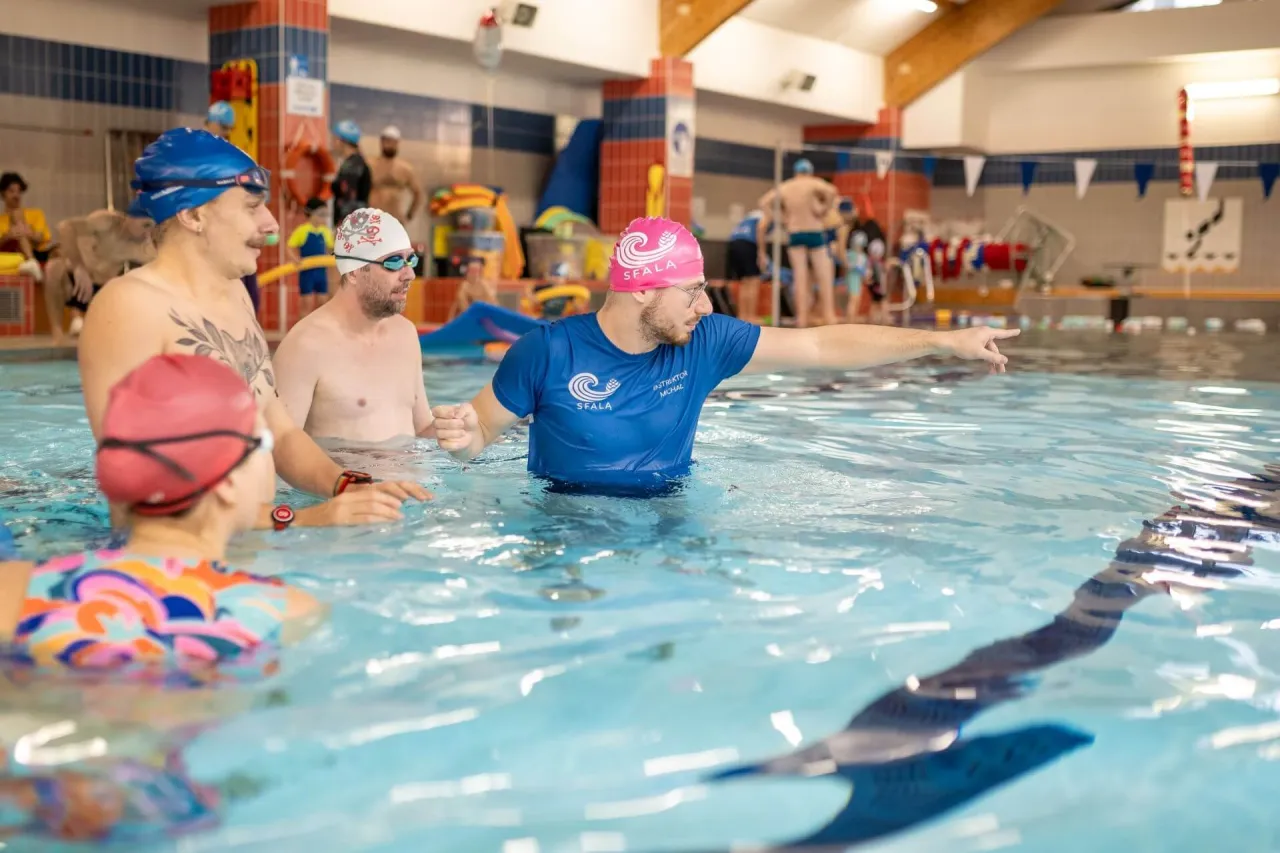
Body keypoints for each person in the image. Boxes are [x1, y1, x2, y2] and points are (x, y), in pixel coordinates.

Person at [432, 217, 1018, 490]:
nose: (706, 306)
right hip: (563, 524)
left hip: (668, 518)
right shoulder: (546, 352)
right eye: (692, 291)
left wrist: (939, 342)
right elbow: (478, 432)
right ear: (641, 290)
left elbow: (820, 343)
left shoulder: (704, 344)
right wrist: (462, 438)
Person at [0, 354, 326, 843]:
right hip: (172, 813)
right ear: (231, 479)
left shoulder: (15, 589)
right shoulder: (283, 611)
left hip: (32, 801)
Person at [78, 128, 429, 532]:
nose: (271, 223)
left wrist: (348, 487)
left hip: (250, 539)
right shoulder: (129, 306)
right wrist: (297, 519)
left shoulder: (234, 298)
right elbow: (138, 487)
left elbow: (277, 429)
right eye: (251, 207)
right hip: (175, 566)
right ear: (193, 214)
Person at [274, 208, 435, 444]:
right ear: (354, 272)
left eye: (410, 259)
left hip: (414, 479)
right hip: (352, 479)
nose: (409, 273)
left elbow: (422, 428)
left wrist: (460, 429)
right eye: (393, 262)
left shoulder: (406, 334)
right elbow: (279, 451)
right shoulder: (305, 346)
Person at [43, 207, 155, 343]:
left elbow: (168, 266)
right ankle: (57, 334)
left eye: (152, 227)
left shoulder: (142, 247)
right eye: (146, 225)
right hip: (75, 284)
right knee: (53, 268)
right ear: (130, 218)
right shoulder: (107, 222)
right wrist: (79, 268)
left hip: (100, 293)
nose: (148, 232)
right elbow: (66, 227)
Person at [758, 160, 839, 328]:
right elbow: (832, 191)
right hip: (815, 232)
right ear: (809, 171)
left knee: (800, 277)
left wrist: (780, 219)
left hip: (795, 233)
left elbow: (764, 202)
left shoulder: (786, 186)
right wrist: (824, 209)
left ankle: (802, 319)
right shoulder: (813, 183)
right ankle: (829, 316)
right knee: (824, 276)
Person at [286, 197, 334, 317]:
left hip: (321, 272)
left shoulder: (326, 231)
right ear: (310, 213)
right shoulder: (302, 230)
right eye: (320, 214)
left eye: (325, 215)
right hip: (307, 273)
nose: (323, 218)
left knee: (323, 303)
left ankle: (320, 332)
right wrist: (295, 259)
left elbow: (330, 249)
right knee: (306, 304)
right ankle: (302, 332)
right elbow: (289, 247)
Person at [0, 171, 53, 279]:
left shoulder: (36, 213)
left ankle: (32, 261)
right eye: (11, 191)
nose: (16, 195)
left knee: (60, 251)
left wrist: (29, 233)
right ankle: (32, 262)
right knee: (17, 218)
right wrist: (8, 237)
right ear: (3, 194)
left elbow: (41, 237)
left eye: (19, 191)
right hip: (10, 255)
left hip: (36, 252)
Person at [368, 126, 422, 227]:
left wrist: (409, 215)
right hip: (372, 221)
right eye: (387, 141)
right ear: (381, 142)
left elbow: (418, 194)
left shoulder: (405, 169)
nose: (390, 145)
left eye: (393, 142)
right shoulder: (370, 166)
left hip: (395, 221)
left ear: (397, 143)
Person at [725, 208, 770, 324]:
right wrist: (762, 252)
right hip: (748, 245)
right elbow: (761, 228)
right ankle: (751, 316)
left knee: (745, 283)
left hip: (734, 244)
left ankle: (743, 315)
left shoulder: (751, 215)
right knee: (753, 282)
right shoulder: (767, 214)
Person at [331, 119, 371, 226]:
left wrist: (342, 228)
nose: (332, 143)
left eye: (334, 139)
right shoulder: (356, 162)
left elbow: (349, 200)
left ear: (341, 141)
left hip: (351, 226)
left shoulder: (351, 166)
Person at [448, 255, 496, 320]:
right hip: (469, 315)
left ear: (480, 272)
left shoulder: (484, 285)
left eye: (476, 271)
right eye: (471, 271)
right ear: (468, 271)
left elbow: (491, 301)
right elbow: (461, 301)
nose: (473, 273)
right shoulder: (464, 285)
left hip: (484, 315)